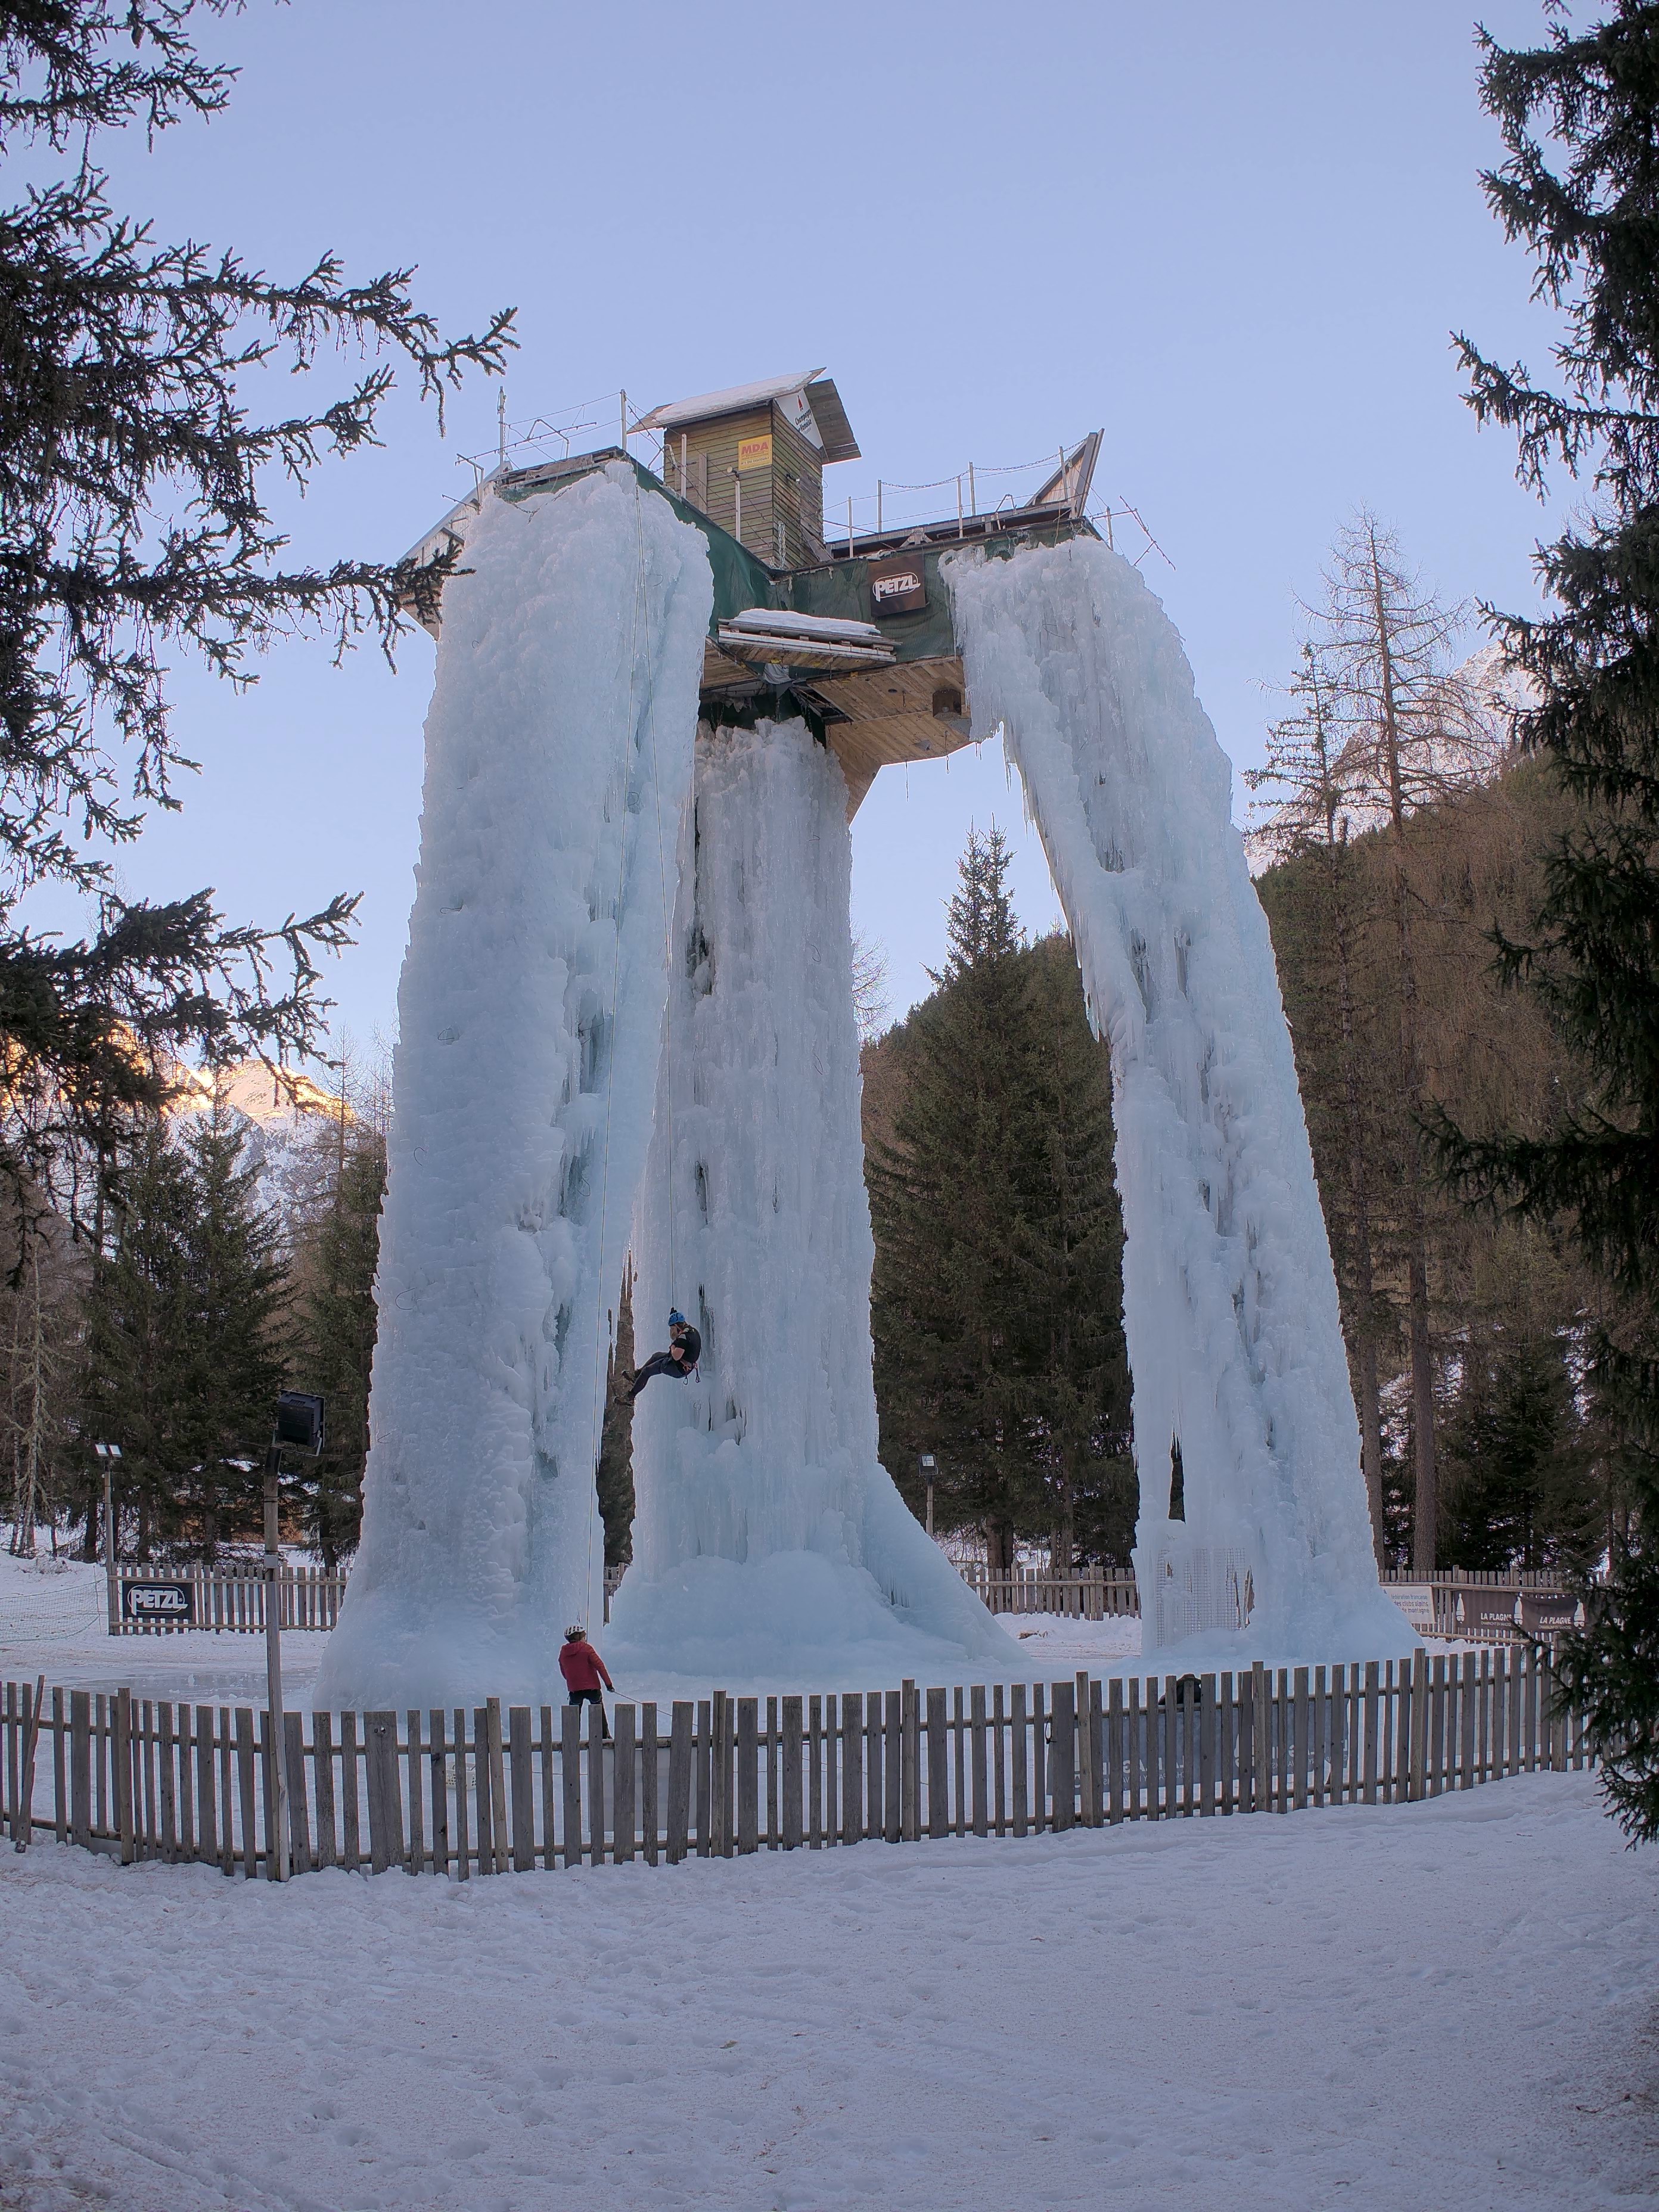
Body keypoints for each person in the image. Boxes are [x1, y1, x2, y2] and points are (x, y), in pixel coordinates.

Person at [617, 1308, 701, 1402]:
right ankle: (636, 1376)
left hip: (679, 1369)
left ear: (677, 1326)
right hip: (683, 1364)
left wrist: (673, 1347)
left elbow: (676, 1356)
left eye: (672, 1329)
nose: (672, 1331)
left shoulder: (684, 1337)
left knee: (647, 1371)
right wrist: (674, 1315)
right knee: (656, 1356)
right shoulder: (692, 1330)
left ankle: (630, 1398)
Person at [558, 1625, 613, 1739]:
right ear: (578, 1637)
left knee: (573, 1716)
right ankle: (604, 1737)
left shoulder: (563, 1652)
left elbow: (564, 1671)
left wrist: (572, 1681)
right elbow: (600, 1666)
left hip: (574, 1689)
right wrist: (609, 1684)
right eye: (584, 1636)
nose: (585, 1638)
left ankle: (571, 1740)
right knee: (599, 1713)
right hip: (592, 1688)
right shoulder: (587, 1649)